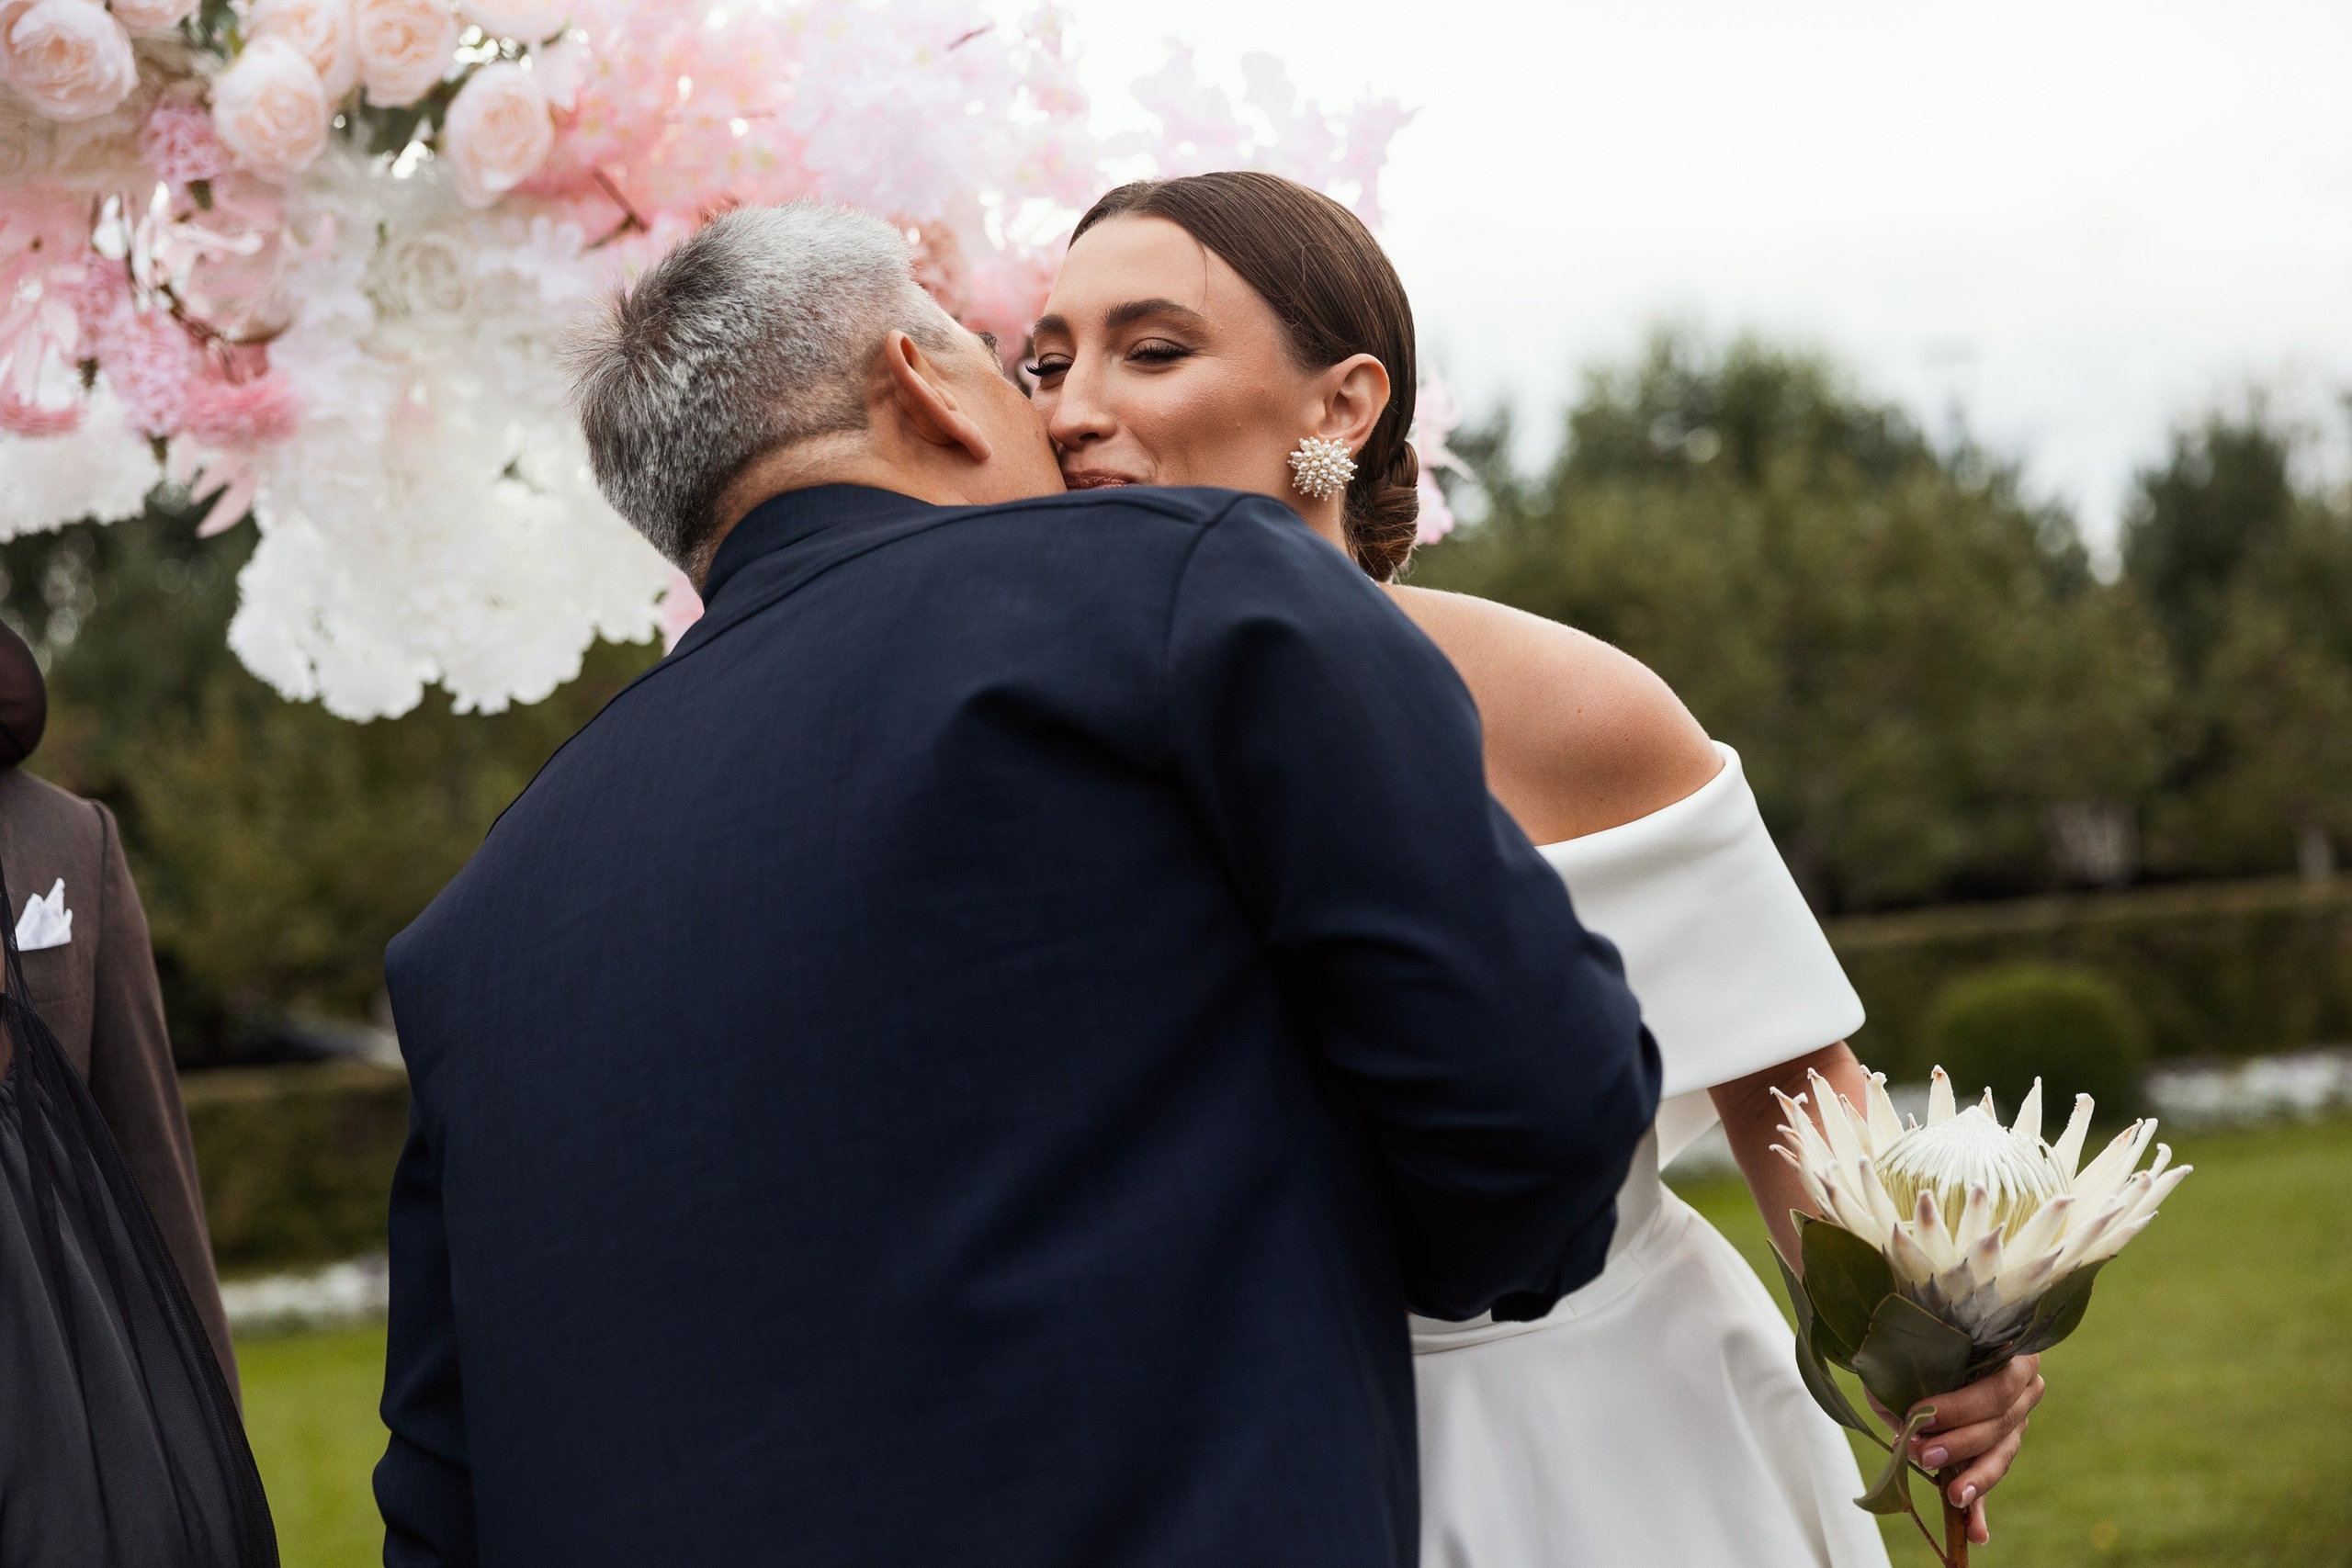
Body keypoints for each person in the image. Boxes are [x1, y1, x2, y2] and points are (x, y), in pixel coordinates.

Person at [373, 202, 1660, 1568]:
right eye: (1016, 368)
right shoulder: (1186, 591)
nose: (1057, 421)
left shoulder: (475, 929)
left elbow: (441, 1502)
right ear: (923, 384)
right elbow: (1541, 1123)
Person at [1027, 171, 2045, 1565]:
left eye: (1150, 350)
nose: (1072, 407)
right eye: (1047, 360)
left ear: (1343, 404)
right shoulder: (1026, 745)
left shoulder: (1575, 710)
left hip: (1616, 1439)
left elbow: (1797, 1093)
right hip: (1224, 1461)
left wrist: (1932, 1344)